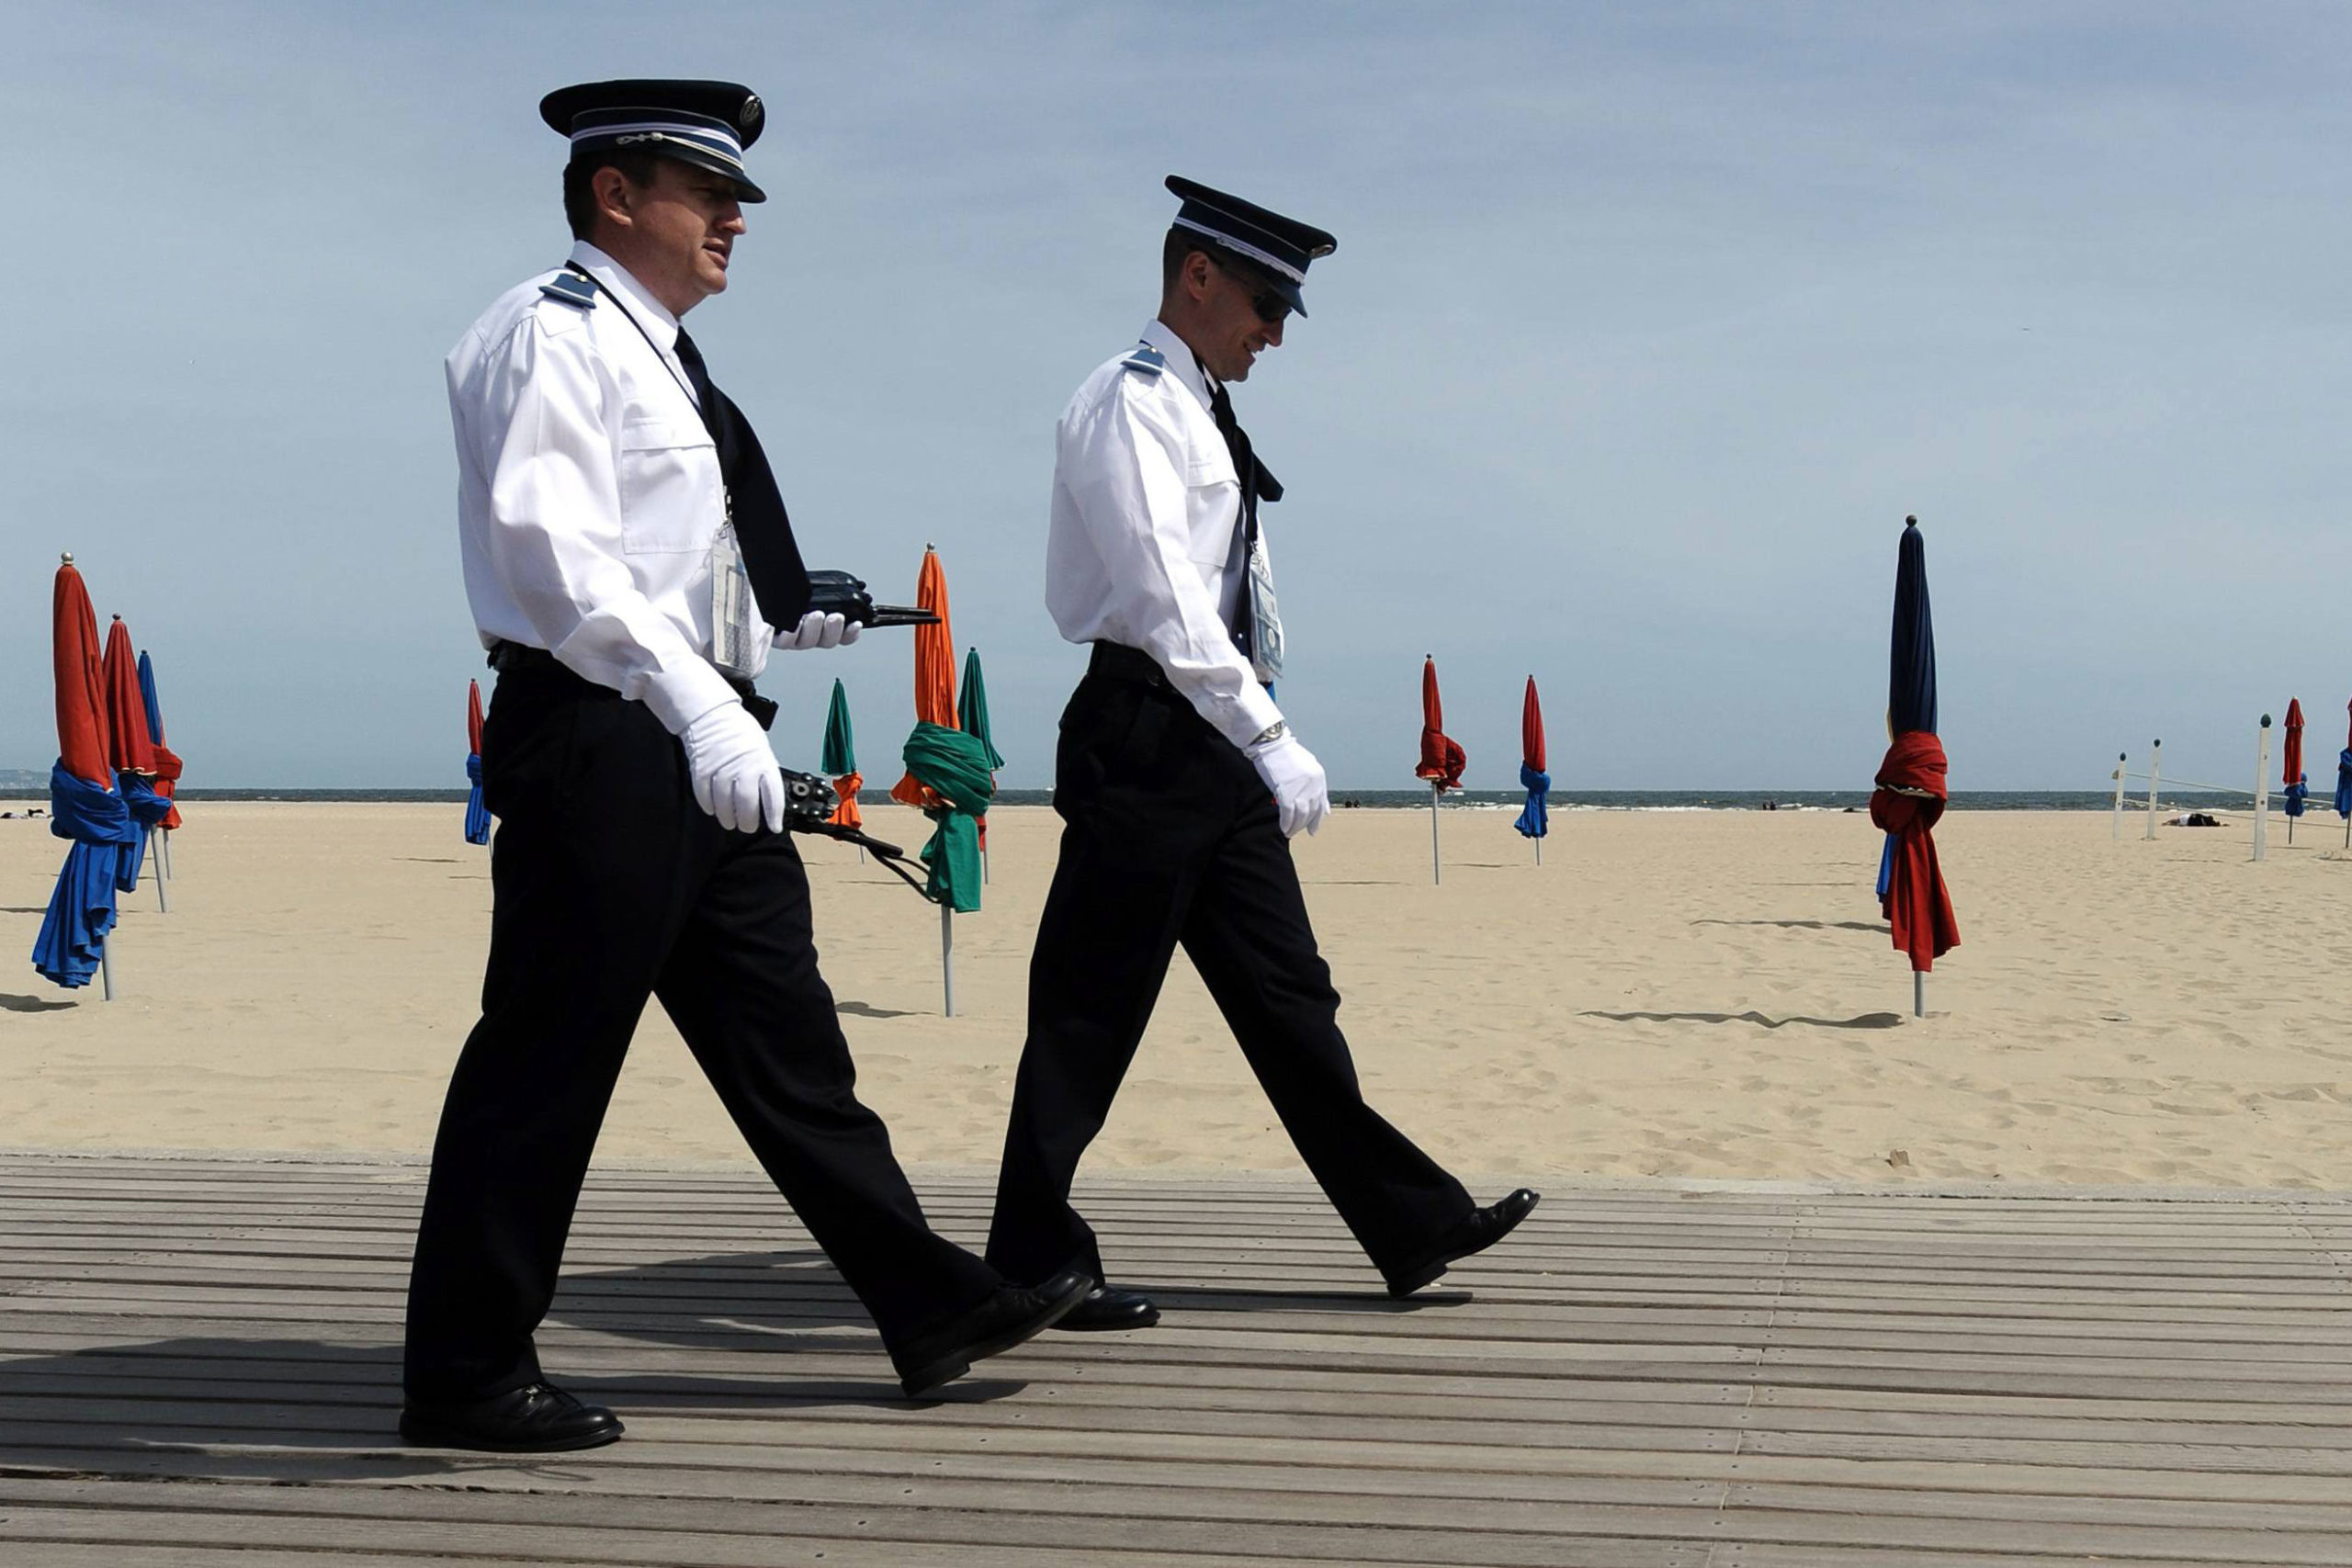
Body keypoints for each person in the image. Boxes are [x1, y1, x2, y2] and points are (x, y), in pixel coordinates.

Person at [401, 78, 1085, 1454]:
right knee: (545, 1053)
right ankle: (465, 1372)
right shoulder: (550, 332)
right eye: (708, 193)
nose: (733, 220)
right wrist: (694, 700)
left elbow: (665, 560)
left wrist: (772, 621)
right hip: (606, 733)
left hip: (698, 739)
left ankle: (926, 1300)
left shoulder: (667, 359)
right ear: (614, 194)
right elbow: (559, 558)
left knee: (791, 1047)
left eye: (735, 200)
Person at [984, 177, 1540, 1328]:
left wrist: (1251, 734)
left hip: (1208, 743)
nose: (1275, 331)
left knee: (1290, 996)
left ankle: (1410, 1220)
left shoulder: (1195, 405)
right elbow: (1163, 597)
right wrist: (1271, 733)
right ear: (1196, 277)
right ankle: (1031, 1254)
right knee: (1090, 1008)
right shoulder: (1126, 402)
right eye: (1264, 302)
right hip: (1148, 732)